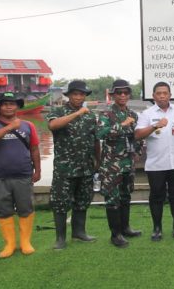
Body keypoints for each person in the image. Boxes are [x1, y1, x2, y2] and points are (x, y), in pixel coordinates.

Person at [0, 92, 42, 258]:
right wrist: (8, 128)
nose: (9, 106)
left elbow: (34, 148)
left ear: (17, 106)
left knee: (26, 208)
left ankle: (25, 242)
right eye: (5, 103)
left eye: (12, 103)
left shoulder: (28, 125)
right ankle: (9, 244)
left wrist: (38, 170)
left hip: (23, 174)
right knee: (4, 210)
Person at [46, 80, 100, 250]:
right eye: (75, 94)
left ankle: (79, 232)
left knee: (83, 200)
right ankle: (60, 238)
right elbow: (53, 125)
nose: (78, 97)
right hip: (65, 168)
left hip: (85, 166)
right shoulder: (58, 111)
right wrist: (76, 114)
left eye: (81, 94)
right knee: (60, 202)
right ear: (68, 95)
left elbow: (95, 139)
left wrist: (97, 160)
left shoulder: (90, 116)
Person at [135, 82, 174, 241]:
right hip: (156, 164)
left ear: (170, 95)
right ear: (153, 96)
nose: (162, 96)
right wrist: (155, 125)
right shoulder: (147, 114)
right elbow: (137, 135)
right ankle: (157, 228)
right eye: (159, 93)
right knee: (157, 197)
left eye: (165, 93)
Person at [96, 79, 144, 248]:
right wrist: (122, 125)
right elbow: (101, 133)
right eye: (119, 93)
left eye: (125, 93)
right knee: (112, 199)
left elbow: (136, 136)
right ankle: (115, 234)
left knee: (125, 196)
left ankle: (125, 228)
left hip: (127, 162)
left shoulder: (134, 114)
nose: (123, 96)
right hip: (111, 164)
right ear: (113, 95)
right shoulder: (106, 114)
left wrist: (137, 151)